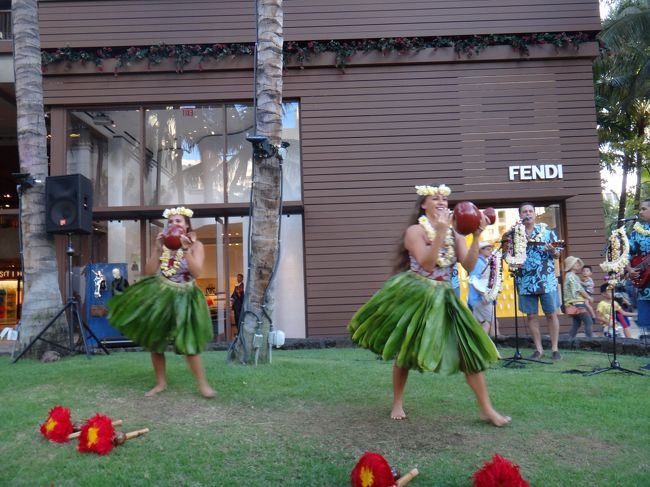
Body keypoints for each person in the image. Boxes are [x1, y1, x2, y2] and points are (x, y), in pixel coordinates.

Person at [348, 184, 510, 427]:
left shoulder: (454, 233)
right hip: (416, 292)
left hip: (445, 295)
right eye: (435, 198)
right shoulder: (414, 231)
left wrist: (475, 237)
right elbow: (426, 262)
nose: (442, 202)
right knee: (406, 348)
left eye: (445, 199)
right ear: (423, 204)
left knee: (468, 350)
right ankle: (397, 402)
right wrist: (443, 230)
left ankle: (487, 410)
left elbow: (468, 264)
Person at [108, 207, 215, 398]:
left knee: (188, 343)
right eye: (171, 222)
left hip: (186, 296)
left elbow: (197, 272)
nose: (174, 224)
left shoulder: (196, 245)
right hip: (162, 295)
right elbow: (149, 272)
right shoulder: (164, 246)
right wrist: (157, 249)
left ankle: (203, 385)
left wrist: (185, 250)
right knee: (155, 342)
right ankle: (160, 383)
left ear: (187, 225)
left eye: (178, 221)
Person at [513, 202, 562, 360]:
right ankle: (539, 349)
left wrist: (553, 250)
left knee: (551, 314)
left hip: (545, 279)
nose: (528, 214)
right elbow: (509, 254)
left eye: (530, 211)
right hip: (525, 280)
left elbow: (557, 254)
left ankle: (555, 349)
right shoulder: (515, 234)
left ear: (535, 214)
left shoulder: (547, 232)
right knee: (531, 316)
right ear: (520, 215)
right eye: (524, 211)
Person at [625, 199, 650, 370]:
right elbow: (627, 254)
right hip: (645, 286)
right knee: (647, 323)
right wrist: (630, 269)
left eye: (643, 209)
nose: (640, 212)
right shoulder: (637, 233)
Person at [468, 241, 497, 335]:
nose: (490, 251)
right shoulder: (478, 263)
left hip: (479, 299)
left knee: (484, 323)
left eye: (490, 249)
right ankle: (493, 346)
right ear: (480, 250)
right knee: (491, 323)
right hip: (481, 299)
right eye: (488, 249)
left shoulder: (482, 262)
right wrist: (484, 295)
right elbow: (474, 280)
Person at [562, 256, 594, 338]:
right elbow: (579, 289)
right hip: (576, 303)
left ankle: (568, 342)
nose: (577, 264)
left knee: (577, 324)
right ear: (571, 265)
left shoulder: (571, 275)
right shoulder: (571, 276)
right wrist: (589, 297)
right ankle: (590, 342)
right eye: (575, 262)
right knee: (588, 322)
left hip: (572, 304)